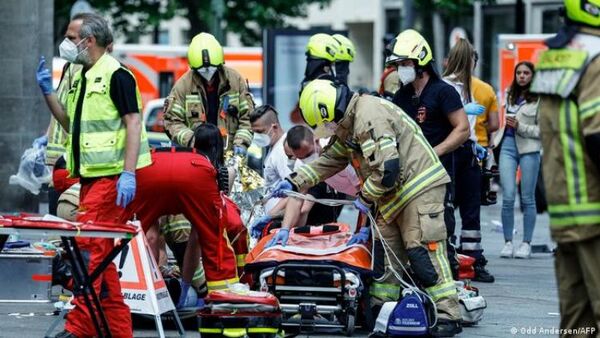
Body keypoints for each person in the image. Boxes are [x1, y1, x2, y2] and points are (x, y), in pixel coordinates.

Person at [273, 79, 463, 337]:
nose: (327, 130)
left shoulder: (368, 115)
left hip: (418, 189)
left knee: (422, 252)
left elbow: (388, 169)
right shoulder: (349, 124)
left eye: (325, 124)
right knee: (384, 260)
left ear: (331, 112)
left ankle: (448, 315)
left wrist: (366, 197)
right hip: (391, 196)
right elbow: (330, 159)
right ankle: (381, 312)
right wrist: (295, 180)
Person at [37, 13, 152, 338]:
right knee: (101, 263)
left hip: (112, 181)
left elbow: (133, 122)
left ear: (89, 40)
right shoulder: (82, 75)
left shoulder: (117, 75)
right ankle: (117, 330)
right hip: (90, 181)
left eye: (72, 37)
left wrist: (128, 174)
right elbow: (70, 124)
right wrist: (48, 93)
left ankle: (80, 328)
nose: (67, 42)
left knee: (89, 254)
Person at [530, 0, 600, 333]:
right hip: (596, 210)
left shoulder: (556, 56)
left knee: (576, 322)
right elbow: (598, 136)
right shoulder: (597, 58)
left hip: (567, 211)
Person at [388, 29, 474, 281]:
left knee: (437, 232)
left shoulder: (443, 92)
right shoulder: (402, 95)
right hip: (407, 179)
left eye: (404, 64)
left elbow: (462, 129)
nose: (400, 69)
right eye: (397, 65)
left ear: (420, 62)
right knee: (409, 234)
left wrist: (433, 152)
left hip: (437, 176)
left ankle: (448, 286)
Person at [441, 39, 495, 282]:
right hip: (452, 151)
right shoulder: (445, 86)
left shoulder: (474, 87)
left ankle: (472, 259)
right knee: (450, 207)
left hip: (469, 151)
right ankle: (451, 258)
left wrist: (476, 145)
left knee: (471, 210)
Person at [256, 125, 360, 241]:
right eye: (299, 157)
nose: (307, 159)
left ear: (316, 140)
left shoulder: (339, 155)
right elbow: (296, 197)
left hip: (370, 192)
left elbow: (365, 191)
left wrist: (363, 227)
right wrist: (284, 228)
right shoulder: (304, 165)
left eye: (308, 154)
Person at [163, 32, 254, 153]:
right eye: (202, 69)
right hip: (196, 156)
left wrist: (241, 143)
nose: (207, 71)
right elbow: (172, 121)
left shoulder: (235, 81)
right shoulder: (183, 86)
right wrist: (192, 141)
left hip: (230, 154)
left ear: (220, 63)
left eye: (212, 68)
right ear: (193, 67)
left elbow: (248, 117)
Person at [495, 61, 541, 259]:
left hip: (529, 147)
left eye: (526, 73)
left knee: (528, 198)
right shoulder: (509, 93)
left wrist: (521, 126)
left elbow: (543, 130)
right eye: (519, 73)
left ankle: (526, 243)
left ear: (533, 76)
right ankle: (507, 242)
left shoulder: (540, 98)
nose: (522, 76)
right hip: (507, 145)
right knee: (508, 196)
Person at [249, 105, 291, 213]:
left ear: (275, 128)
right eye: (254, 132)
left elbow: (293, 193)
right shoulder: (274, 148)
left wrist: (270, 216)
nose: (256, 136)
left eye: (260, 132)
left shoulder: (283, 151)